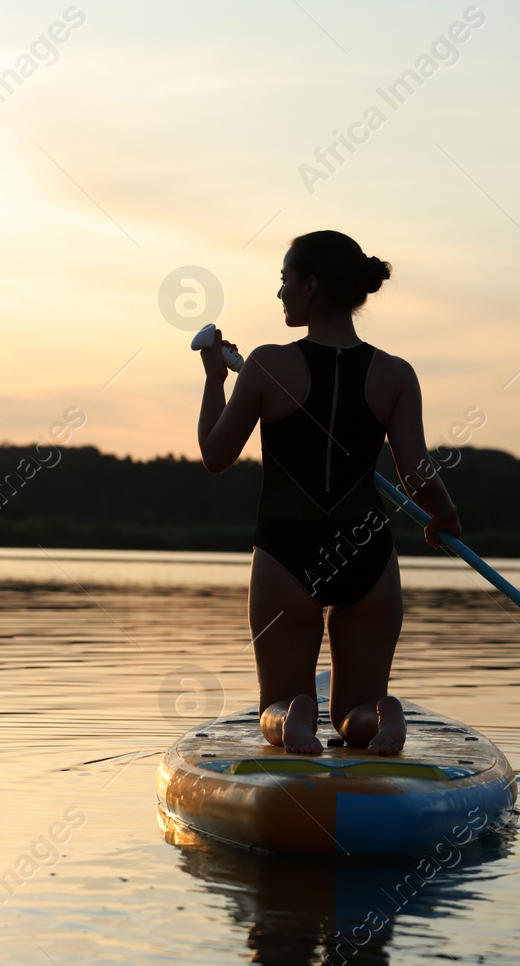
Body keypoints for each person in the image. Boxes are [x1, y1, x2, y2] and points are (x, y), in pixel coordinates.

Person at [196, 230, 460, 756]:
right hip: (368, 553)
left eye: (285, 281)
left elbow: (216, 455)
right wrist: (444, 514)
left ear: (311, 286)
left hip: (285, 554)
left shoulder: (268, 365)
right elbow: (416, 473)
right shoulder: (395, 374)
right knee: (352, 713)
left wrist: (213, 379)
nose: (281, 294)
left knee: (274, 702)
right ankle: (380, 715)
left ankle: (291, 719)